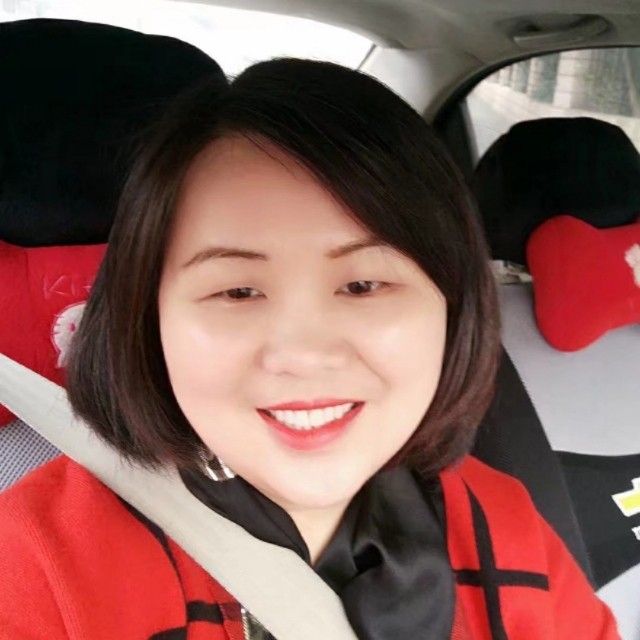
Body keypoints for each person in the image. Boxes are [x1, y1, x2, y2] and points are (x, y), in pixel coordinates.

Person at [0, 58, 620, 640]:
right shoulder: (36, 569)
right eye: (238, 291)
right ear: (148, 317)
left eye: (363, 285)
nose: (302, 354)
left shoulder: (503, 522)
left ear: (453, 306)